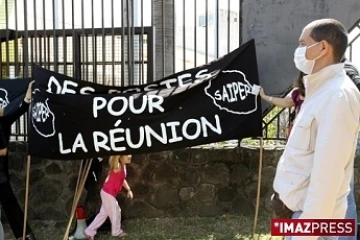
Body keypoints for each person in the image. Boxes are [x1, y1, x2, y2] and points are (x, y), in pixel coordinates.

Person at [272, 18, 360, 240]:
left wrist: (304, 233)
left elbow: (327, 178)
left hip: (312, 223)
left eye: (303, 44)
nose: (298, 51)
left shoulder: (337, 96)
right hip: (300, 215)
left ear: (322, 48)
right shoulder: (320, 90)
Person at [0, 80, 36, 240]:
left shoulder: (4, 121)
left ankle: (24, 235)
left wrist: (27, 94)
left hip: (0, 174)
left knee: (10, 205)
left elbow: (20, 109)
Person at [84, 155, 133, 240]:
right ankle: (116, 232)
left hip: (108, 193)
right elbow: (115, 159)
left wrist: (129, 189)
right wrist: (117, 152)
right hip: (107, 193)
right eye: (126, 155)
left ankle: (89, 232)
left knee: (103, 214)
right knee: (116, 211)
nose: (129, 156)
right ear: (120, 157)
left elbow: (122, 179)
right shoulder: (117, 166)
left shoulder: (123, 166)